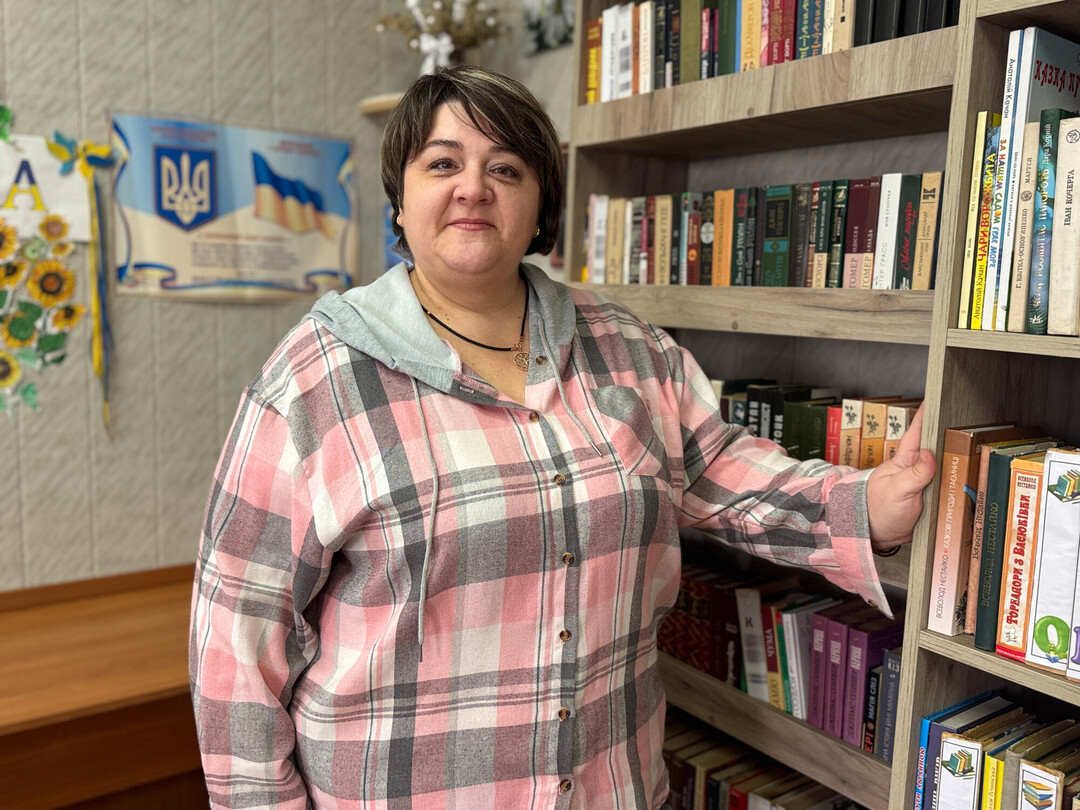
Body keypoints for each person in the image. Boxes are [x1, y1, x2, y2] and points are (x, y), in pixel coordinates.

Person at [189, 65, 936, 809]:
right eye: (443, 163)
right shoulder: (313, 379)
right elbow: (237, 645)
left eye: (505, 168)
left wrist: (867, 503)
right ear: (401, 196)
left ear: (541, 201)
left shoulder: (631, 349)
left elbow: (722, 473)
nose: (473, 188)